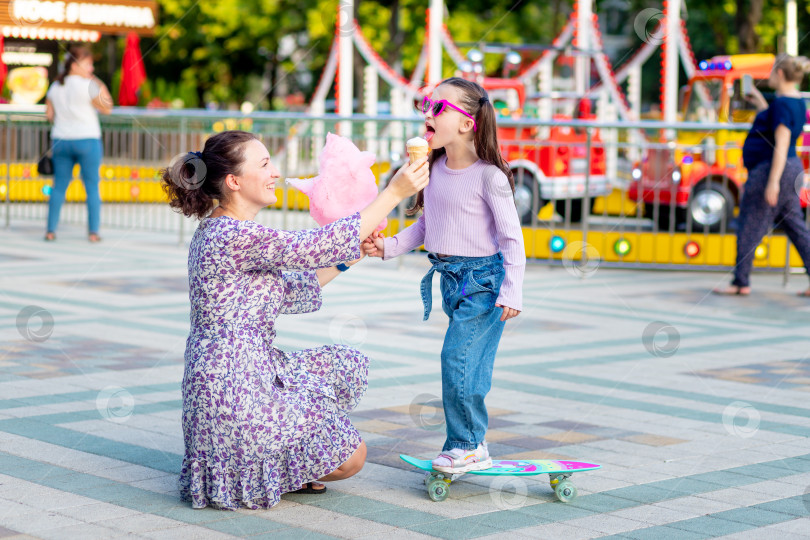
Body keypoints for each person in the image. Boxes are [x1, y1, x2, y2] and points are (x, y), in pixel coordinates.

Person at [162, 130, 428, 509]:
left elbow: (291, 289)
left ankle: (273, 466)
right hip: (233, 389)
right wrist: (393, 193)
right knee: (352, 458)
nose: (275, 172)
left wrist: (351, 257)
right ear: (234, 182)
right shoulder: (231, 233)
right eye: (265, 164)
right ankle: (267, 470)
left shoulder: (224, 231)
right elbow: (309, 247)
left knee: (341, 371)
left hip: (247, 373)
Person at [363, 78, 526, 474]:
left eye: (438, 108)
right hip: (450, 280)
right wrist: (388, 247)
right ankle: (472, 442)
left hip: (483, 284)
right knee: (467, 362)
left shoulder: (491, 177)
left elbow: (511, 236)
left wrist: (512, 290)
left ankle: (467, 444)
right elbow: (425, 227)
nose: (427, 114)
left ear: (468, 124)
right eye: (426, 106)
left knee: (459, 360)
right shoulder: (432, 168)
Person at [714, 54, 810, 297]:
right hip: (791, 168)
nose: (768, 76)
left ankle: (740, 282)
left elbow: (782, 140)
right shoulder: (796, 102)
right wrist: (758, 102)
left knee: (750, 223)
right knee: (796, 228)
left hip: (771, 169)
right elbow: (776, 123)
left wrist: (773, 182)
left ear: (779, 74)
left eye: (771, 71)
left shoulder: (782, 104)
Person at [44, 46, 112, 243]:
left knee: (58, 187)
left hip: (60, 140)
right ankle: (93, 232)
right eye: (88, 64)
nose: (90, 68)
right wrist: (97, 81)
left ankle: (50, 230)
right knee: (91, 186)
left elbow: (49, 115)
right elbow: (107, 107)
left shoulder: (55, 86)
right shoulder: (88, 85)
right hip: (87, 139)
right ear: (75, 65)